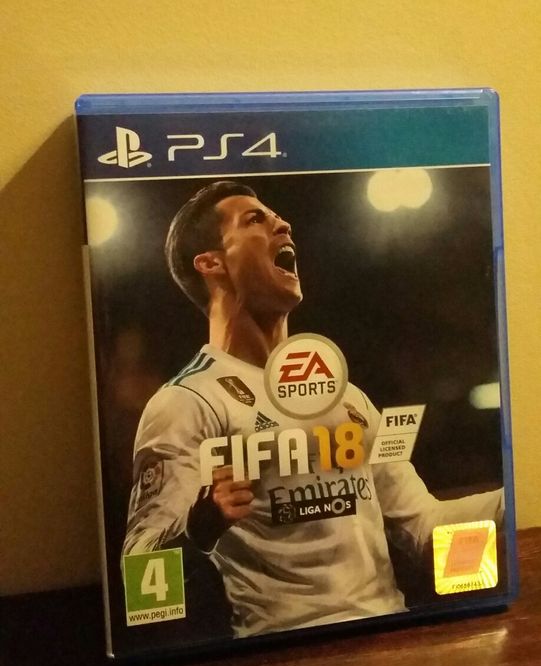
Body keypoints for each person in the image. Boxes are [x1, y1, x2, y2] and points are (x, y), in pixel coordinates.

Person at [123, 181, 503, 638]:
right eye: (255, 219)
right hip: (282, 652)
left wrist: (513, 504)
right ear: (211, 263)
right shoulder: (186, 402)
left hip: (388, 637)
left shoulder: (346, 397)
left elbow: (426, 530)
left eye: (277, 216)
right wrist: (197, 529)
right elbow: (141, 572)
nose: (283, 224)